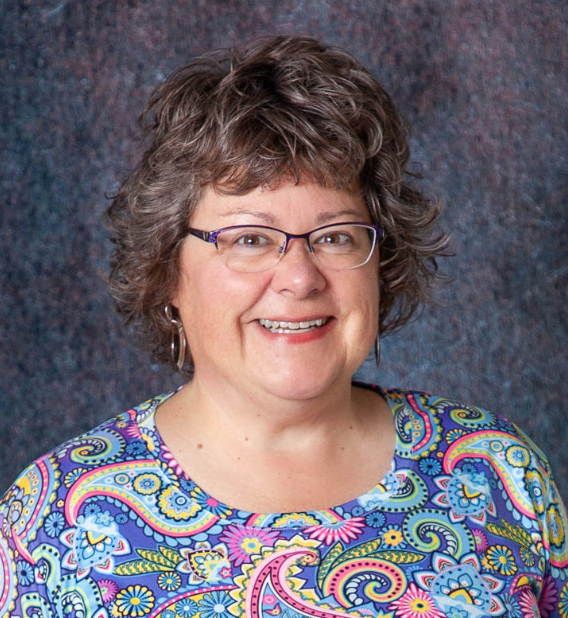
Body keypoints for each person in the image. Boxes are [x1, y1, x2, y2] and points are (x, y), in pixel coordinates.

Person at [1, 35, 567, 618]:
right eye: (249, 239)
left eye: (335, 236)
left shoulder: (496, 470)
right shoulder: (54, 522)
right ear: (167, 269)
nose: (300, 278)